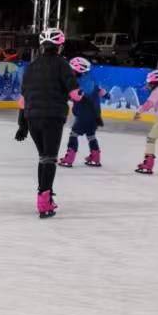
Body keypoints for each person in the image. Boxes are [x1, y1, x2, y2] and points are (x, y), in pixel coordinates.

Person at [15, 28, 81, 218]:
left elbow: (23, 100)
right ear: (60, 46)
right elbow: (75, 94)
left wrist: (22, 125)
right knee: (50, 159)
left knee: (43, 158)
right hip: (52, 117)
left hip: (32, 118)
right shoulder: (62, 64)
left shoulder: (31, 66)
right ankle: (44, 202)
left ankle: (44, 196)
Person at [58, 57, 106, 168]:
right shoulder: (91, 79)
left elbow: (77, 95)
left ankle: (69, 159)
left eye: (71, 70)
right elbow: (101, 92)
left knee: (74, 134)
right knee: (91, 135)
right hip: (95, 115)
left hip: (84, 115)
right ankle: (95, 157)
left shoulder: (79, 83)